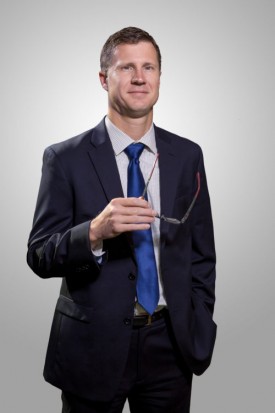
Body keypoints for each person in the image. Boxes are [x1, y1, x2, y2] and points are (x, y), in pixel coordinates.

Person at [27, 27, 217, 413]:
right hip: (92, 347)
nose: (139, 77)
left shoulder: (187, 155)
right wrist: (94, 233)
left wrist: (198, 315)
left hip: (171, 344)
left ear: (160, 77)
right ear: (103, 78)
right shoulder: (64, 158)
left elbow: (202, 253)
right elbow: (39, 254)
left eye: (149, 67)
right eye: (126, 67)